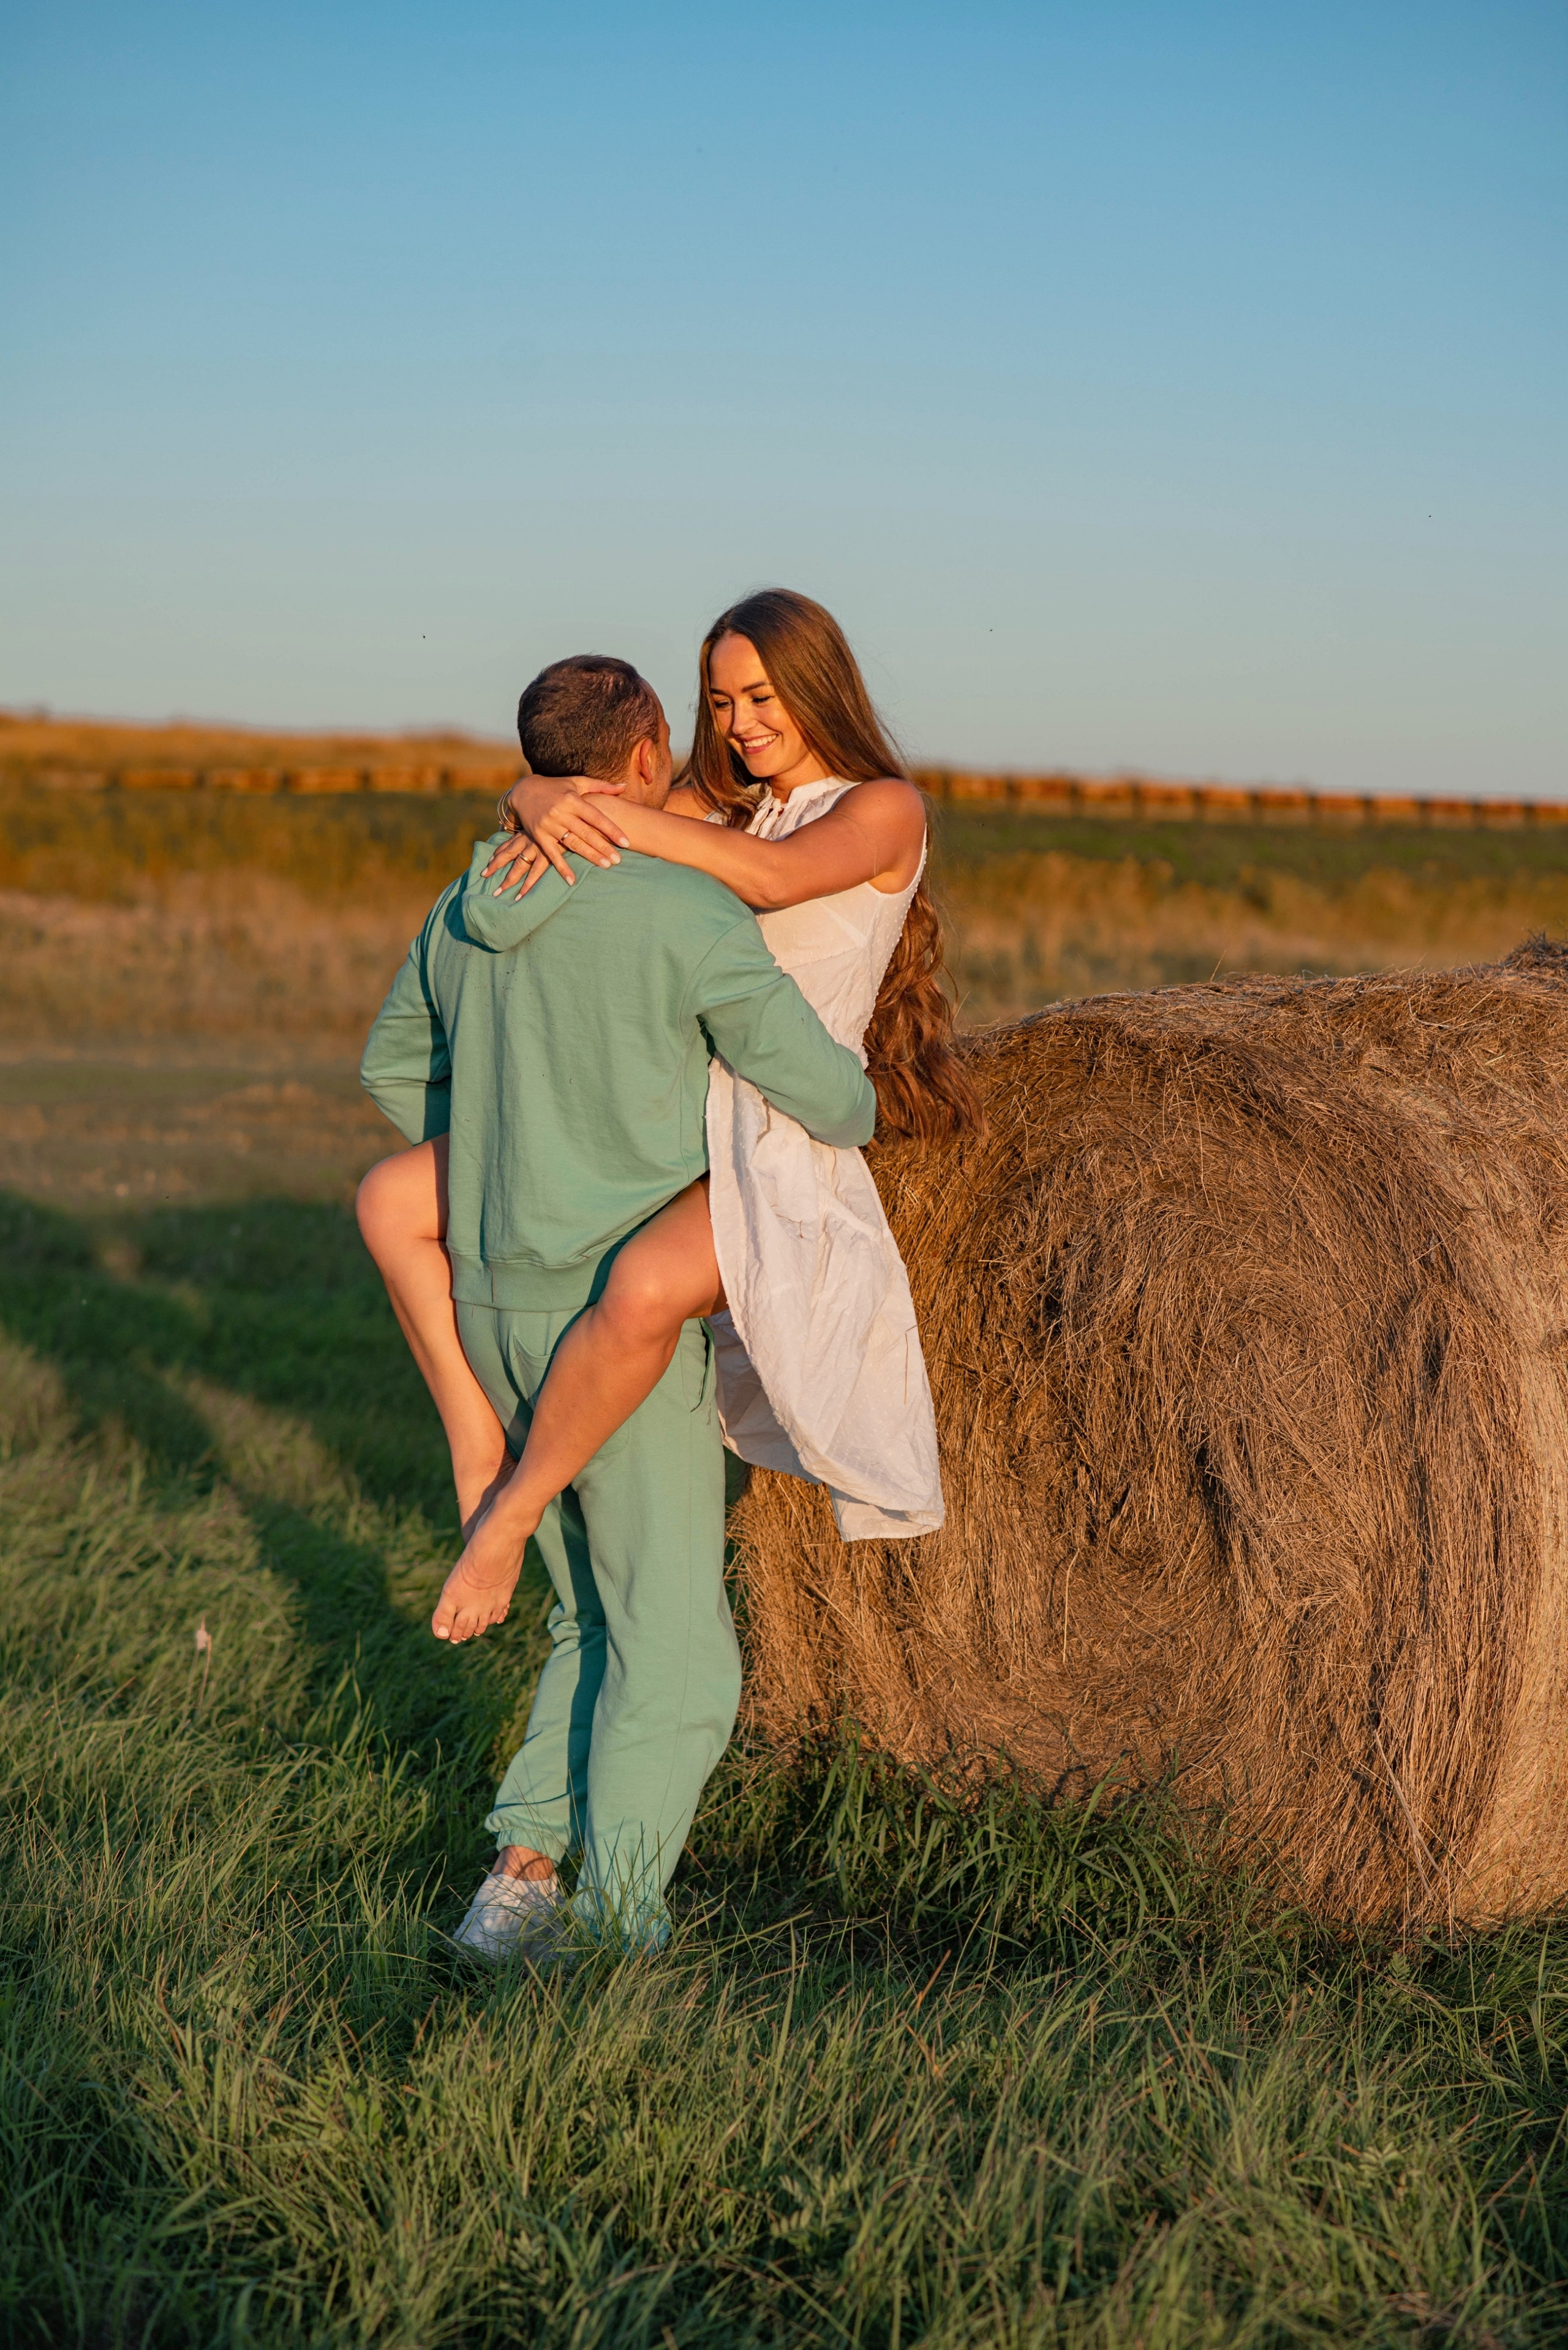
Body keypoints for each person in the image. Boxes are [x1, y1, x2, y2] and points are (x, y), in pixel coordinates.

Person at [358, 652, 876, 1960]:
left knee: (590, 1613)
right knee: (680, 1653)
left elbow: (393, 1071)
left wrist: (506, 1144)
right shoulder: (680, 910)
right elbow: (831, 1100)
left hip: (489, 1302)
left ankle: (518, 1884)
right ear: (647, 751)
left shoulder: (469, 902)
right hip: (616, 1323)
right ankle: (617, 1930)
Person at [359, 590, 984, 1645]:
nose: (741, 722)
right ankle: (476, 1444)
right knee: (388, 1199)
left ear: (818, 684)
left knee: (646, 1286)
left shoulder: (884, 808)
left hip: (780, 1121)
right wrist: (534, 793)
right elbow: (605, 792)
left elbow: (777, 880)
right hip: (679, 1104)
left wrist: (581, 811)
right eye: (721, 699)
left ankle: (513, 1514)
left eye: (762, 695)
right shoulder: (722, 803)